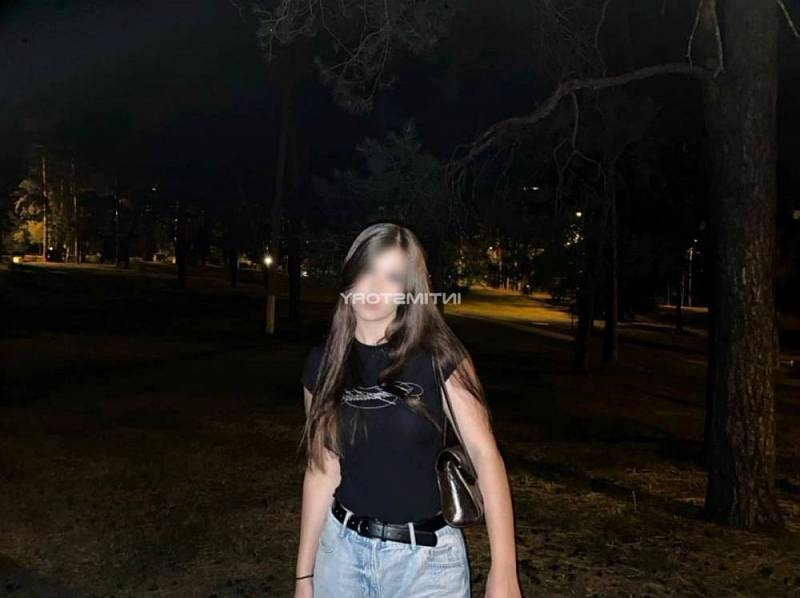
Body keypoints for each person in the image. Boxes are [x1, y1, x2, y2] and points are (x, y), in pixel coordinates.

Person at [294, 222, 522, 598]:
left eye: (393, 276)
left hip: (426, 566)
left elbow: (485, 457)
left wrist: (504, 570)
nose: (375, 287)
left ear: (408, 290)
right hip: (341, 556)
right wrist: (304, 577)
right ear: (350, 274)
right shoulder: (323, 364)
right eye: (368, 269)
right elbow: (322, 470)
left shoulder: (439, 356)